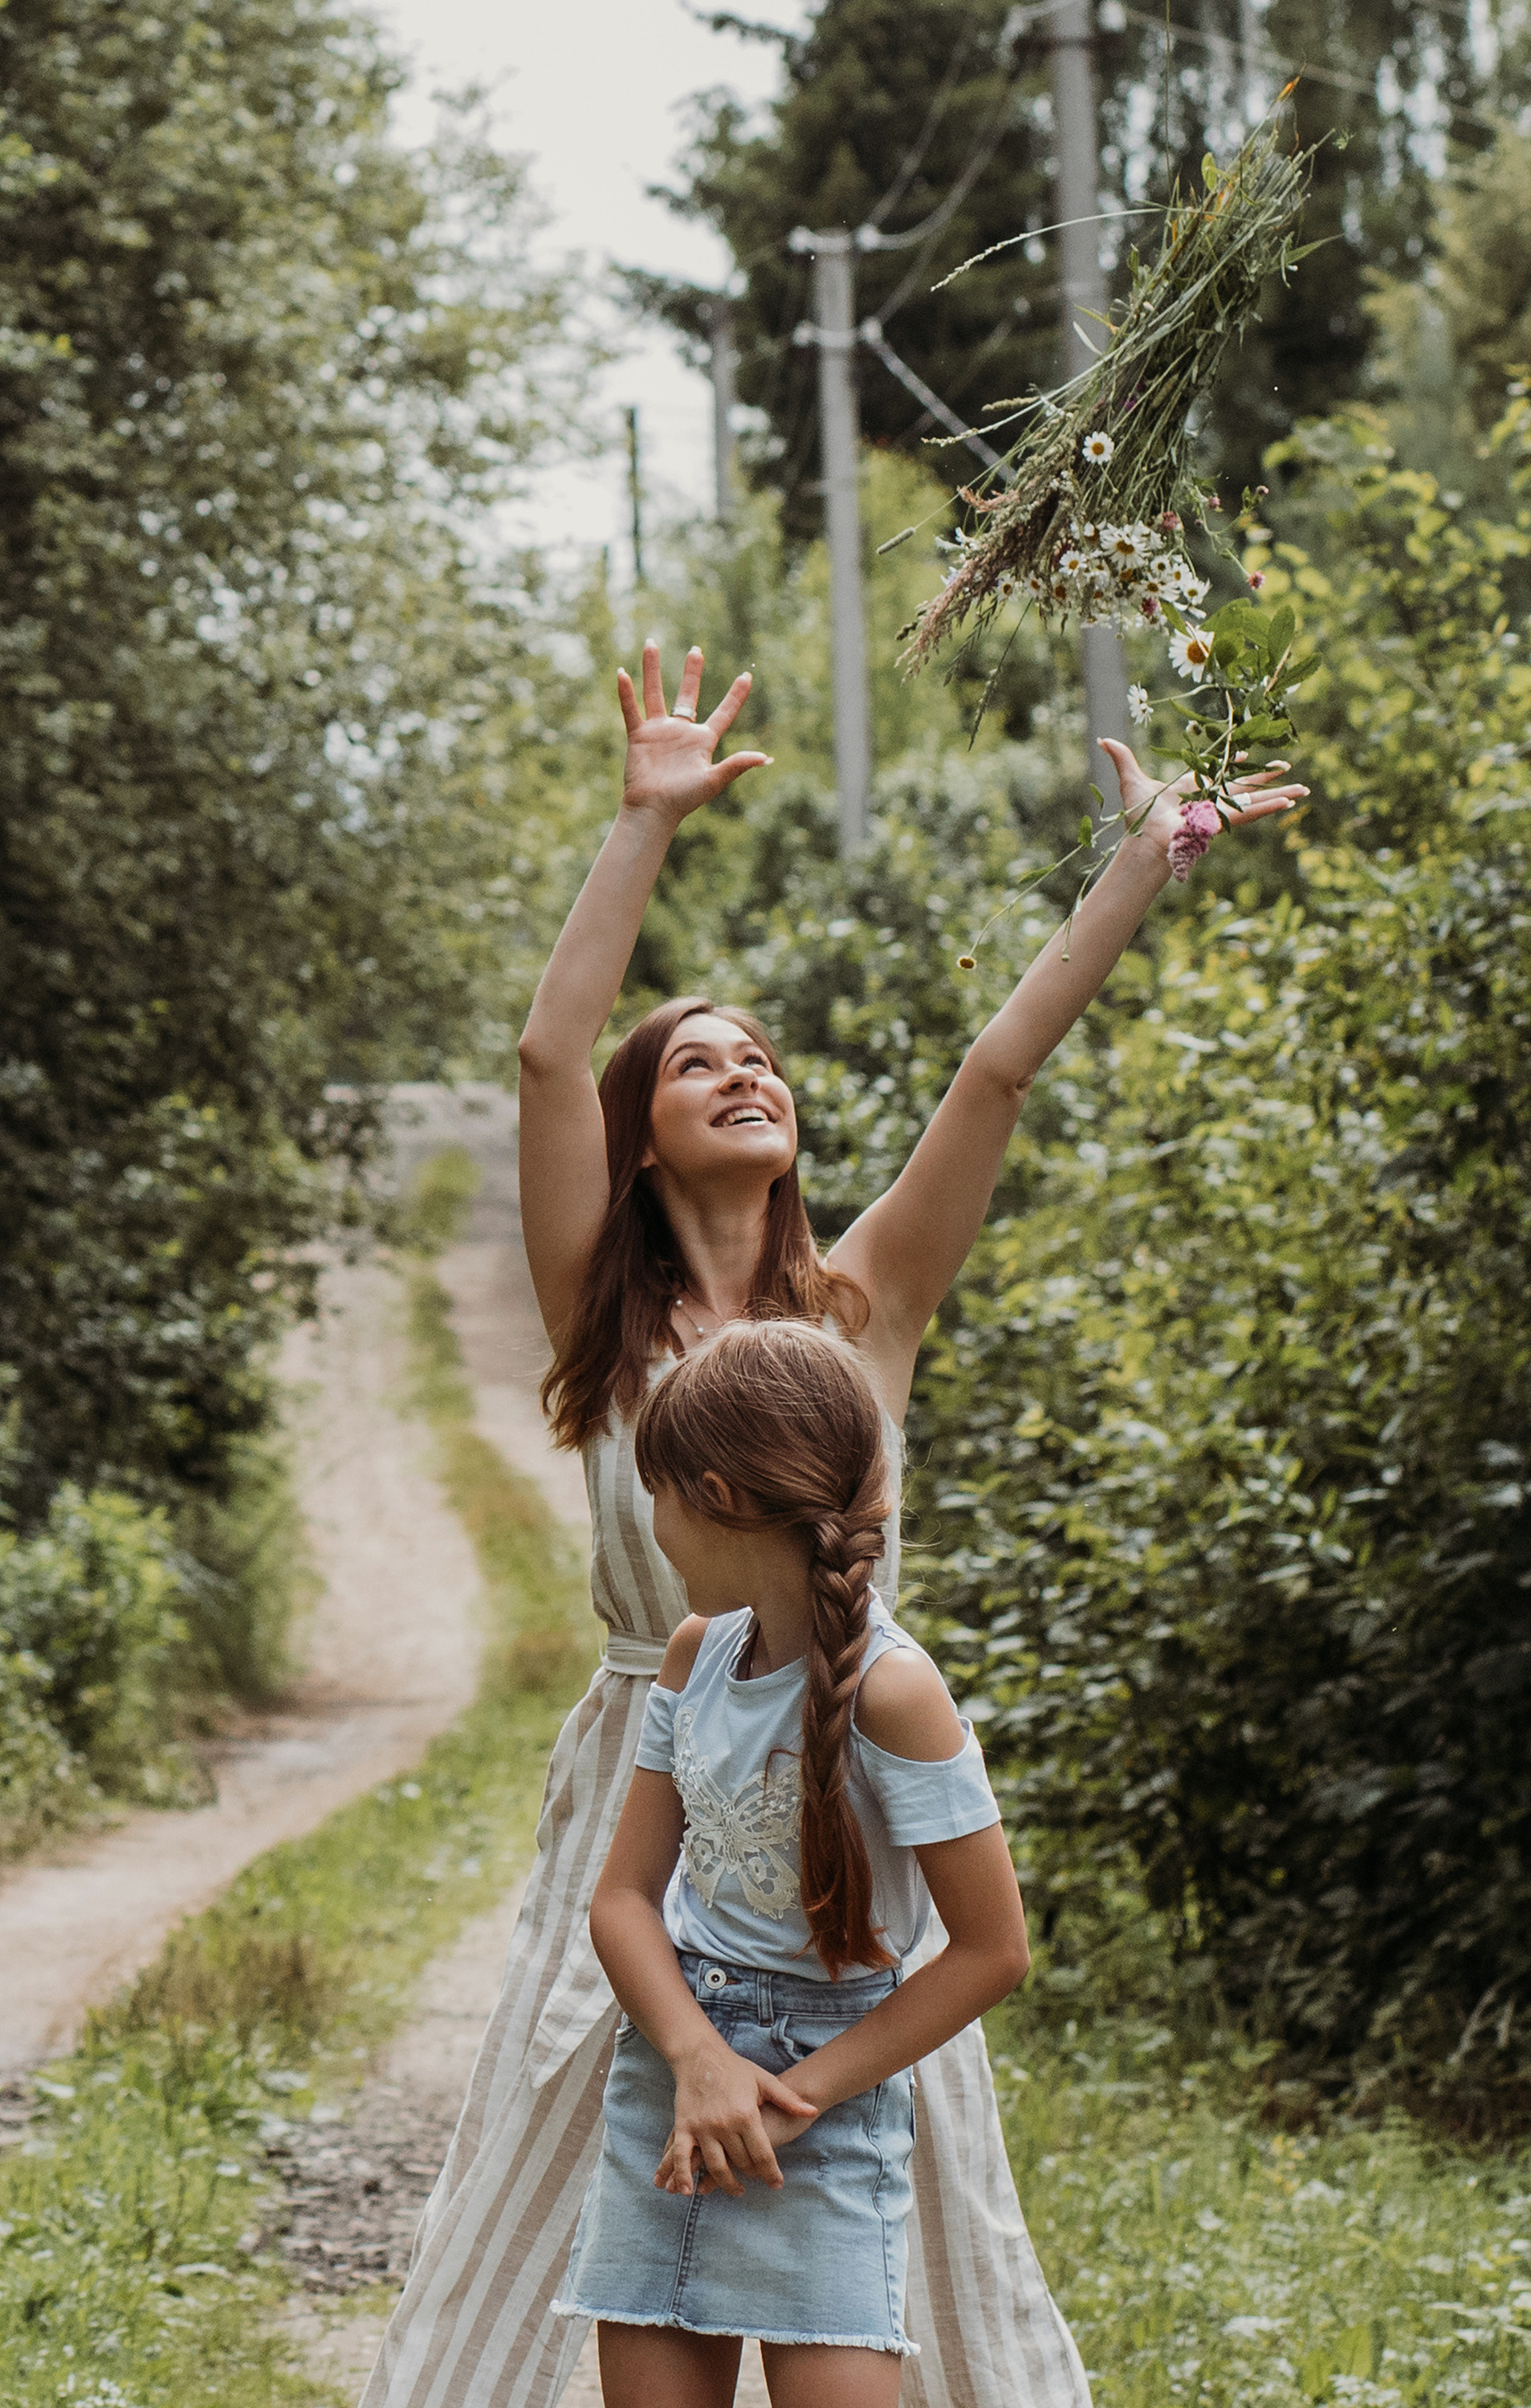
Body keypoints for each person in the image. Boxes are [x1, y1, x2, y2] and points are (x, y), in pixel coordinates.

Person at [360, 643, 1306, 2408]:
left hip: (844, 1769)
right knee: (599, 2125)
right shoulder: (605, 1319)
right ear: (642, 1139)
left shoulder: (863, 1306)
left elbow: (998, 1073)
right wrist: (645, 820)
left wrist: (1143, 862)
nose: (741, 1073)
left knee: (864, 2140)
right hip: (657, 1744)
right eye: (697, 1061)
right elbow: (550, 1046)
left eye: (761, 1058)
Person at [553, 1317, 1030, 2408]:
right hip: (671, 2081)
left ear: (715, 1495)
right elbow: (623, 1901)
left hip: (820, 2102)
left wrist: (792, 2097)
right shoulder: (695, 1656)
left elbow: (991, 1950)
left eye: (657, 1499)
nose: (655, 1530)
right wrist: (697, 2061)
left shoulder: (895, 1694)